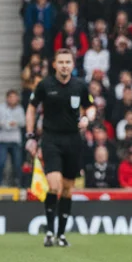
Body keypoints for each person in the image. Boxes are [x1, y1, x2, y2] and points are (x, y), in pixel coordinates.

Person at [26, 48, 95, 247]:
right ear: (54, 65)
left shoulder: (80, 86)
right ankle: (49, 231)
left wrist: (87, 118)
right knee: (54, 185)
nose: (64, 66)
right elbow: (32, 107)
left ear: (73, 65)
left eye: (68, 62)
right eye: (61, 62)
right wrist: (30, 135)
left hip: (73, 140)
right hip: (51, 139)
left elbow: (90, 106)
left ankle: (61, 235)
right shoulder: (45, 85)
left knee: (67, 189)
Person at [0, 90, 24, 186]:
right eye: (11, 97)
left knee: (17, 163)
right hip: (2, 139)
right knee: (1, 162)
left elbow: (23, 122)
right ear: (7, 98)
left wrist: (16, 123)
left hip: (15, 140)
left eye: (15, 97)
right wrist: (5, 123)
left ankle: (16, 182)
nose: (13, 99)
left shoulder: (20, 109)